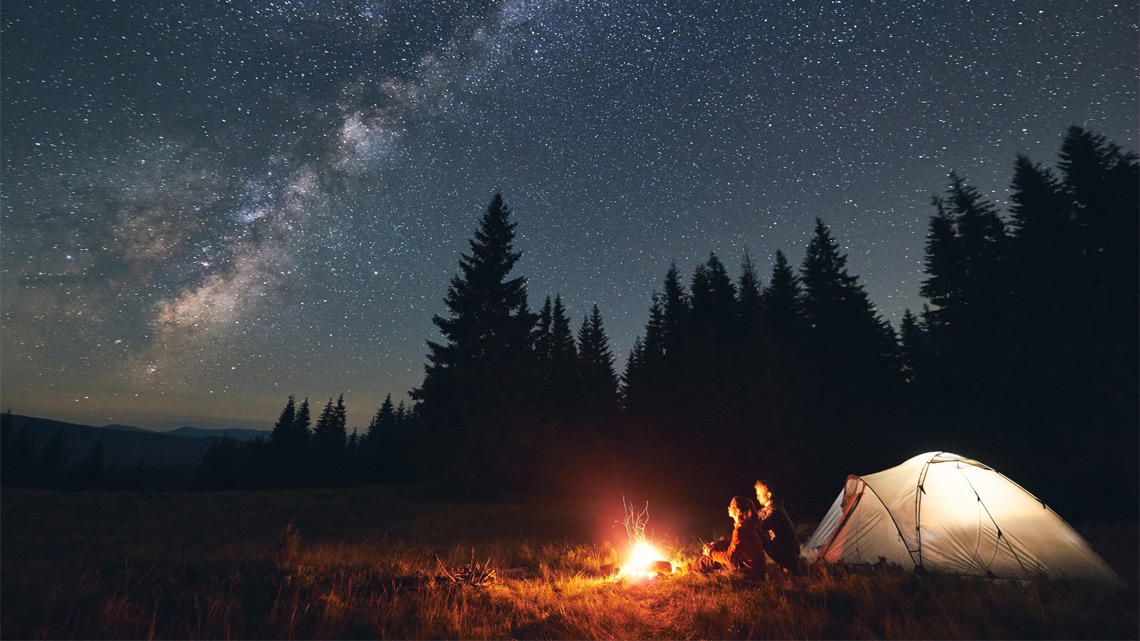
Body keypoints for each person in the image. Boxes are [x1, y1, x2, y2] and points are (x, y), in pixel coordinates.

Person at [689, 495, 765, 579]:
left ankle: (692, 570)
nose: (728, 507)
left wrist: (710, 553)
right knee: (720, 544)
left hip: (750, 572)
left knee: (712, 557)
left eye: (731, 505)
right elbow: (738, 544)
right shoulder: (747, 525)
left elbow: (730, 557)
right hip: (755, 569)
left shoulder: (740, 530)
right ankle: (693, 567)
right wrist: (718, 544)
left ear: (737, 510)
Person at [754, 480, 802, 576]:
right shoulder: (765, 510)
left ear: (768, 495)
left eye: (759, 494)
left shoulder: (776, 512)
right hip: (782, 547)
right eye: (757, 494)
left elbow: (759, 527)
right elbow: (756, 518)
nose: (757, 497)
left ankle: (789, 567)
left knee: (756, 536)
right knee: (755, 534)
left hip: (788, 552)